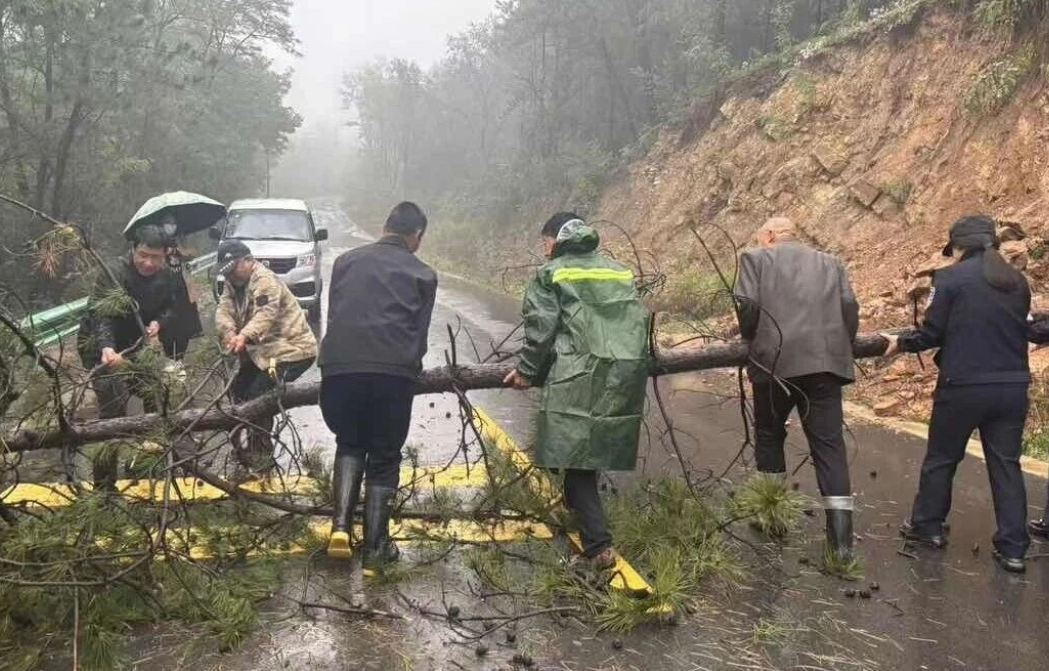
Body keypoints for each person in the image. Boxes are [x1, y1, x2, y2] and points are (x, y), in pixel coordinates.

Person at [883, 215, 1032, 573]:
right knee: (1006, 466)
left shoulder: (948, 279)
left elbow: (933, 333)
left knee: (942, 459)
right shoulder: (1018, 281)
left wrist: (900, 343)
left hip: (963, 386)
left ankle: (928, 528)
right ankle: (1013, 548)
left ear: (960, 247)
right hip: (1012, 387)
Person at [503, 213, 651, 568]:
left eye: (545, 243)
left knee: (575, 456)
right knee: (592, 445)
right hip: (624, 368)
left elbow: (542, 327)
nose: (545, 250)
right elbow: (637, 319)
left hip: (578, 370)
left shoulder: (552, 273)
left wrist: (526, 370)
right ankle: (585, 521)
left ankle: (598, 547)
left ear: (555, 240)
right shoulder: (619, 270)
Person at [319, 202, 437, 575]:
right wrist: (408, 369)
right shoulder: (424, 274)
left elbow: (336, 313)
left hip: (338, 370)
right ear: (416, 236)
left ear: (384, 226)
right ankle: (375, 550)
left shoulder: (346, 262)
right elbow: (419, 336)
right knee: (384, 455)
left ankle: (340, 528)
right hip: (390, 373)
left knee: (350, 443)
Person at [734, 217, 860, 562]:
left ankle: (772, 517)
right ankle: (842, 542)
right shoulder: (831, 262)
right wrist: (842, 343)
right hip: (824, 363)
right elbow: (850, 307)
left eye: (762, 236)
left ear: (770, 235)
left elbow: (748, 306)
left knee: (770, 434)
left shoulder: (755, 258)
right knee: (829, 446)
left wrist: (749, 338)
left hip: (774, 363)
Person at [77, 224, 181, 487]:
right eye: (142, 255)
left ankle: (144, 468)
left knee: (154, 396)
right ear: (133, 250)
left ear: (165, 255)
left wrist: (159, 322)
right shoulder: (114, 273)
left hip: (136, 345)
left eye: (155, 257)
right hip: (100, 348)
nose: (148, 263)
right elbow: (102, 316)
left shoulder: (168, 276)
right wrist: (106, 347)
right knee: (114, 412)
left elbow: (171, 307)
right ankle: (104, 485)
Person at [214, 240, 317, 467]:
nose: (230, 275)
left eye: (234, 268)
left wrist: (244, 336)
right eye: (227, 271)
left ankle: (261, 455)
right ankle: (242, 448)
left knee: (260, 394)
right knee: (237, 390)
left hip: (292, 350)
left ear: (249, 261)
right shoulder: (232, 284)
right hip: (261, 352)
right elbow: (223, 310)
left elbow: (265, 315)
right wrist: (230, 332)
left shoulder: (265, 281)